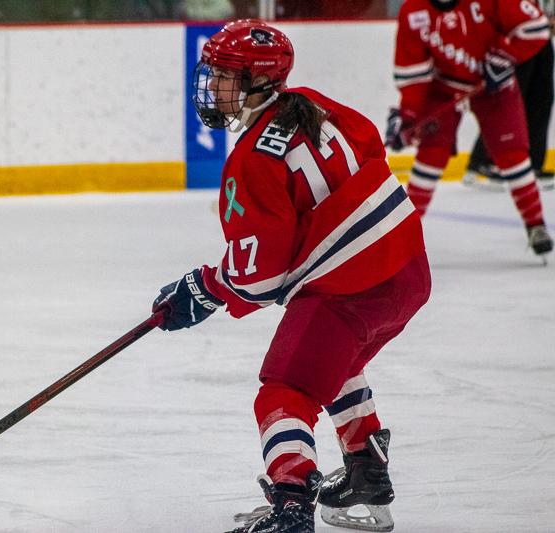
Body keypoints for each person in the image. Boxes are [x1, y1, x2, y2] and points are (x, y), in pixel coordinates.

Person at [151, 19, 431, 533]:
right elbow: (369, 149)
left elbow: (259, 277)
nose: (212, 87)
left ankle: (292, 504)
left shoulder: (250, 161)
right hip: (409, 270)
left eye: (224, 76)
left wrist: (205, 289)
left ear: (258, 81)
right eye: (211, 74)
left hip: (351, 286)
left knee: (282, 390)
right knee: (332, 360)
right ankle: (367, 472)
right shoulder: (315, 102)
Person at [386, 0, 553, 257]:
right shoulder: (414, 10)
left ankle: (535, 224)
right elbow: (413, 73)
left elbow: (536, 27)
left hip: (495, 87)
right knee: (431, 155)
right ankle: (405, 233)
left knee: (513, 156)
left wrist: (504, 57)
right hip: (443, 88)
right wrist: (408, 115)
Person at [465, 0, 554, 188]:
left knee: (541, 97)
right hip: (512, 31)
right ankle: (482, 162)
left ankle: (532, 164)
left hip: (537, 31)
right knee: (507, 99)